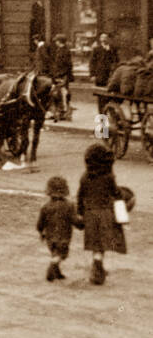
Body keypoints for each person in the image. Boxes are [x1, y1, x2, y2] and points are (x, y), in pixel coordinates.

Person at [77, 142, 135, 285]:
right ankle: (98, 265)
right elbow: (116, 193)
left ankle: (97, 265)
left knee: (95, 242)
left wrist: (80, 213)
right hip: (105, 214)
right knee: (102, 243)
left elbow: (80, 196)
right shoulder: (109, 177)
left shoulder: (84, 178)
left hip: (90, 214)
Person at [37, 176, 82, 281]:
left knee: (54, 253)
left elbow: (40, 223)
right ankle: (52, 267)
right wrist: (82, 224)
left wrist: (41, 232)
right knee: (61, 255)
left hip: (50, 236)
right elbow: (75, 221)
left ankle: (57, 272)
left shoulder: (45, 207)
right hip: (64, 236)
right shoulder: (69, 205)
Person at [48, 34, 74, 119]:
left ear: (59, 41)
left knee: (63, 94)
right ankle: (58, 112)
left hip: (63, 76)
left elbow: (68, 65)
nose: (55, 42)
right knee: (57, 94)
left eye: (56, 41)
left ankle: (64, 112)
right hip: (58, 75)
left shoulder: (66, 51)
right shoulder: (59, 50)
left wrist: (61, 74)